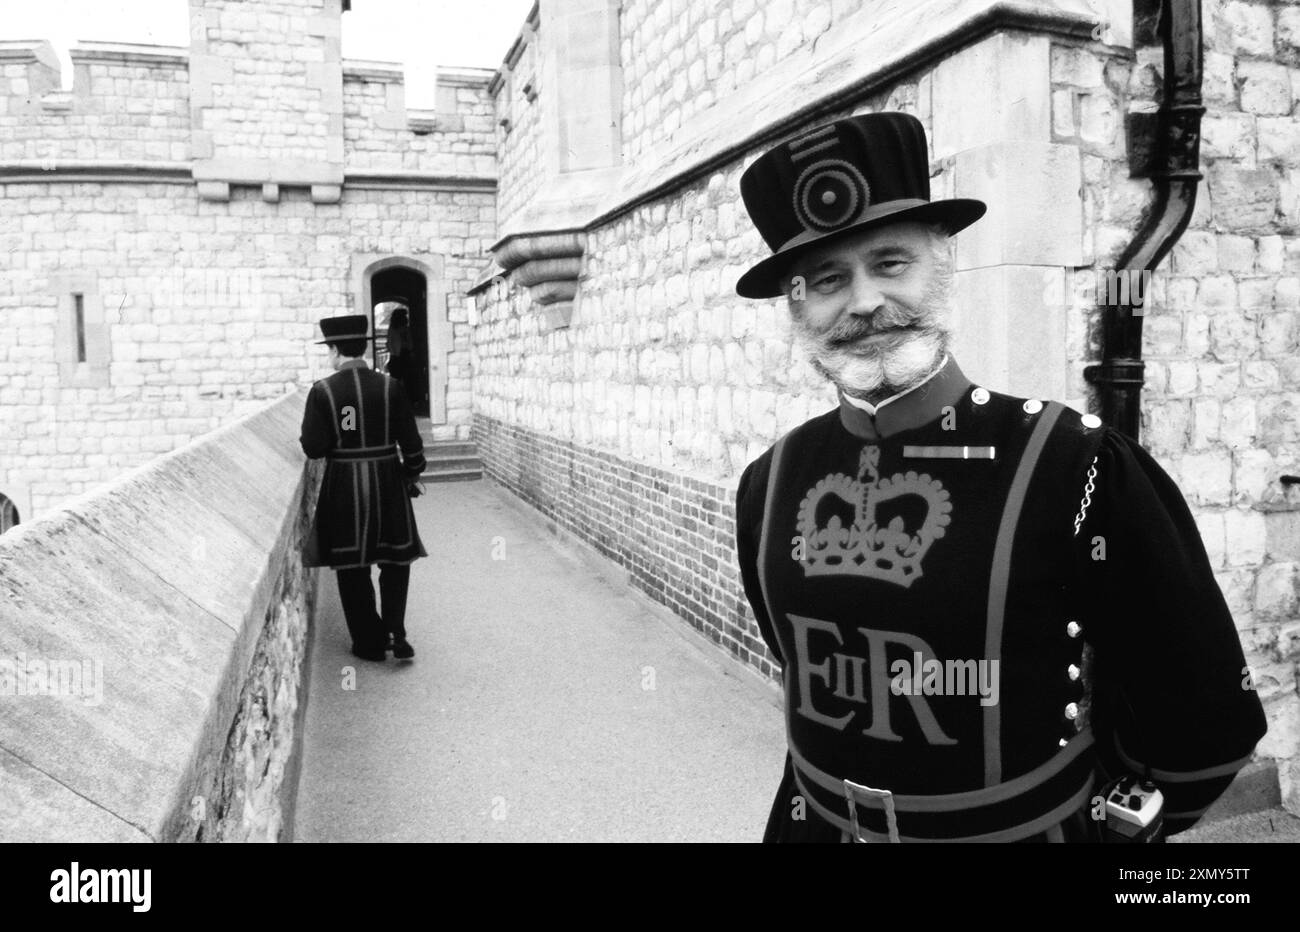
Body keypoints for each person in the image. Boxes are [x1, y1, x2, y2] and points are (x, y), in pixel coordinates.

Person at [731, 112, 1267, 842]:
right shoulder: (770, 482)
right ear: (798, 305)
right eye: (827, 278)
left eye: (890, 262)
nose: (862, 302)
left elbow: (1201, 710)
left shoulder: (1075, 461)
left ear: (942, 261)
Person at [300, 315, 427, 662]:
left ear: (336, 350)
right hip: (388, 481)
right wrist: (410, 473)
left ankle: (370, 643)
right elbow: (412, 445)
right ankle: (395, 631)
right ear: (365, 347)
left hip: (345, 485)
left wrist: (344, 430)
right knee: (395, 559)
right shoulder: (390, 387)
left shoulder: (324, 390)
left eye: (329, 349)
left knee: (353, 566)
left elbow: (313, 447)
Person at [385, 306, 414, 395]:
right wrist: (394, 354)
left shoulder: (406, 328)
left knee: (407, 378)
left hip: (404, 354)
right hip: (397, 355)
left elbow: (409, 341)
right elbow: (390, 342)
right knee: (397, 378)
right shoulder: (393, 329)